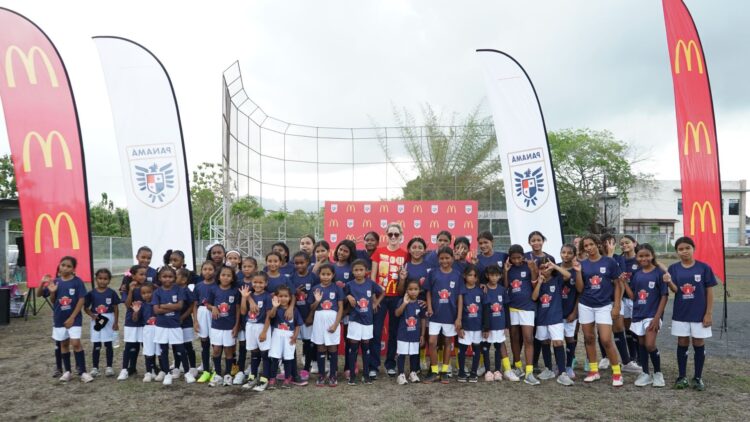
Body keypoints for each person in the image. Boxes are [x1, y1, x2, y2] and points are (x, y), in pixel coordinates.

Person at [665, 237, 716, 391]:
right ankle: (682, 377)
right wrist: (669, 282)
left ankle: (698, 377)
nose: (684, 251)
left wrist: (708, 313)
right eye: (680, 249)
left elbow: (709, 292)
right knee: (682, 342)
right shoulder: (673, 268)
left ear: (693, 248)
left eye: (687, 248)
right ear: (677, 252)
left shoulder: (704, 268)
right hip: (681, 313)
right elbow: (675, 291)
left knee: (699, 342)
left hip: (699, 314)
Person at [577, 234, 625, 387]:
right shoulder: (582, 264)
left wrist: (617, 305)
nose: (589, 248)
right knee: (589, 338)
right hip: (585, 305)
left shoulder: (609, 262)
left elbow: (618, 284)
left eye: (591, 244)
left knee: (605, 340)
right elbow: (580, 289)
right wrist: (577, 271)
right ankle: (593, 371)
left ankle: (617, 373)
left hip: (604, 305)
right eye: (586, 246)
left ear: (598, 244)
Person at [370, 223, 408, 378]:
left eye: (396, 234)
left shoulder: (405, 254)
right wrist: (373, 298)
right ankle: (373, 366)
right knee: (376, 332)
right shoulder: (378, 252)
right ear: (386, 235)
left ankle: (390, 364)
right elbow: (373, 276)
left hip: (397, 298)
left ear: (401, 235)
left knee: (393, 332)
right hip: (379, 298)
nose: (393, 237)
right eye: (390, 234)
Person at [46, 256, 93, 383]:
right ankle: (67, 372)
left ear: (73, 269)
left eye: (69, 266)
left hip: (74, 319)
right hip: (59, 319)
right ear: (59, 266)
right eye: (63, 265)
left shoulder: (77, 282)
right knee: (64, 344)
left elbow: (81, 300)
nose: (65, 268)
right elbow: (53, 300)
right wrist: (52, 292)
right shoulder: (55, 282)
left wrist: (72, 317)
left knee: (76, 343)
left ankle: (83, 371)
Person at [627, 244, 668, 388]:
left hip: (653, 315)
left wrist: (657, 317)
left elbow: (664, 296)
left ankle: (658, 373)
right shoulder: (636, 274)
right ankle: (645, 373)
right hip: (638, 314)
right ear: (637, 257)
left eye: (647, 255)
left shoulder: (659, 273)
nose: (644, 258)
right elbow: (633, 296)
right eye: (640, 256)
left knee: (650, 344)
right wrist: (623, 283)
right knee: (642, 344)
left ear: (652, 256)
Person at [423, 246, 463, 384]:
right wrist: (429, 306)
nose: (444, 260)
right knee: (432, 342)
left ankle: (444, 371)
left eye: (447, 258)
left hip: (450, 316)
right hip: (435, 315)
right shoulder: (433, 273)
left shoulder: (457, 274)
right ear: (437, 259)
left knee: (447, 343)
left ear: (452, 258)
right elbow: (428, 291)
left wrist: (458, 317)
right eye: (441, 258)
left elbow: (460, 297)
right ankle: (434, 371)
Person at [533, 260, 574, 386]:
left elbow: (568, 275)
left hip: (555, 317)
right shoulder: (536, 282)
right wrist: (539, 283)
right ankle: (548, 369)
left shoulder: (557, 280)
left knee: (558, 342)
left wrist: (555, 266)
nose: (545, 270)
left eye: (547, 268)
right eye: (542, 268)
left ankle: (562, 373)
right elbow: (534, 297)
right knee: (545, 341)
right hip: (541, 318)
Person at [151, 267, 194, 385]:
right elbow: (156, 310)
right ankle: (167, 374)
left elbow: (179, 306)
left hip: (175, 325)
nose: (167, 279)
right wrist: (170, 306)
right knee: (163, 350)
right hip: (161, 326)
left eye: (170, 277)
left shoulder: (179, 290)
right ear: (160, 278)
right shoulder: (157, 292)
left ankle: (187, 372)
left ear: (174, 278)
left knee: (181, 349)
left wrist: (163, 306)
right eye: (164, 277)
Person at [344, 259, 384, 385]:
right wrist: (348, 296)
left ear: (366, 271)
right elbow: (341, 296)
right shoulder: (349, 285)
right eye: (356, 270)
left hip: (367, 320)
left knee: (366, 346)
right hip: (355, 320)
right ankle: (352, 376)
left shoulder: (371, 284)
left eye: (361, 270)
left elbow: (382, 292)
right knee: (353, 347)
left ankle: (366, 374)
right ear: (352, 271)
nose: (359, 272)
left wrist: (376, 302)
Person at [504, 244, 539, 384]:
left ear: (523, 256)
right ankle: (518, 366)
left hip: (527, 307)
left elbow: (535, 284)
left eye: (519, 258)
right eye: (514, 258)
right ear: (510, 258)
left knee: (528, 338)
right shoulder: (509, 268)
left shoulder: (528, 266)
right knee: (514, 337)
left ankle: (529, 371)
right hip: (512, 307)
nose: (517, 261)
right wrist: (506, 271)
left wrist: (533, 269)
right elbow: (506, 286)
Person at [480, 264, 518, 382]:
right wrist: (484, 327)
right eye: (492, 275)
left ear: (500, 276)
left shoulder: (502, 290)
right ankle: (487, 371)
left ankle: (497, 370)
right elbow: (482, 309)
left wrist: (507, 325)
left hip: (499, 324)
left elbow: (506, 308)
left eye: (497, 275)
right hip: (488, 325)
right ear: (487, 276)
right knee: (485, 346)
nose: (494, 278)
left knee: (498, 346)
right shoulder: (483, 289)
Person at [308, 263, 345, 387]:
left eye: (328, 274)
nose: (325, 277)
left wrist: (336, 324)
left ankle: (333, 375)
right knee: (321, 348)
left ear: (333, 275)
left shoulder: (337, 288)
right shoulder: (315, 289)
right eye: (323, 274)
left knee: (333, 349)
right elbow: (312, 308)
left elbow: (340, 308)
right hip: (319, 322)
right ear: (319, 275)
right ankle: (322, 375)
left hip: (332, 321)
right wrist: (317, 301)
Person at [525, 231, 554, 374]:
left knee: (544, 334)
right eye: (533, 240)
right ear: (529, 242)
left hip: (545, 299)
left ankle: (548, 365)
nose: (536, 242)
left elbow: (553, 277)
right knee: (533, 332)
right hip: (530, 299)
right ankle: (534, 362)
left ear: (543, 241)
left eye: (538, 240)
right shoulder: (525, 257)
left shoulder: (550, 258)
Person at [206, 265, 241, 387]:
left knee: (228, 351)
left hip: (229, 327)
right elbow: (207, 304)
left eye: (228, 275)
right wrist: (213, 307)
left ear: (232, 278)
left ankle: (228, 375)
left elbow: (237, 310)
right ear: (219, 277)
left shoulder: (235, 291)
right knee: (216, 350)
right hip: (216, 326)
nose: (225, 278)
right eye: (223, 275)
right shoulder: (214, 289)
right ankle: (217, 374)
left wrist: (236, 325)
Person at [399, 237, 430, 369]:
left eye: (420, 247)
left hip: (424, 305)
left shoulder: (429, 266)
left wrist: (428, 303)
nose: (417, 250)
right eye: (414, 247)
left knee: (424, 333)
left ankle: (422, 358)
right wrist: (402, 279)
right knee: (409, 331)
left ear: (424, 250)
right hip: (408, 306)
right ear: (409, 249)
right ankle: (409, 364)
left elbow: (432, 288)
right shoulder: (405, 265)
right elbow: (400, 290)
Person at [239, 271, 273, 391]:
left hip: (262, 326)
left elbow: (269, 315)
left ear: (266, 283)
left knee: (264, 353)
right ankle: (252, 376)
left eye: (261, 282)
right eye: (255, 282)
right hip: (250, 326)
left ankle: (265, 378)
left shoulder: (267, 296)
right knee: (254, 352)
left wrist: (264, 331)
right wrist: (244, 297)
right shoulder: (249, 295)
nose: (257, 285)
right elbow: (243, 312)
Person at [84, 268, 120, 377]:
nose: (102, 281)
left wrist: (116, 322)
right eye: (100, 278)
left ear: (109, 280)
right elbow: (85, 307)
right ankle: (95, 368)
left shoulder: (112, 293)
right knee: (97, 344)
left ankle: (109, 367)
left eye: (105, 279)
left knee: (108, 344)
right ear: (96, 279)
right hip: (96, 320)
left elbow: (115, 308)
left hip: (109, 320)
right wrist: (92, 315)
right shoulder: (91, 293)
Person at [266, 285, 303, 389]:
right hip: (277, 335)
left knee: (288, 358)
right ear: (277, 297)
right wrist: (274, 306)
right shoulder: (276, 309)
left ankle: (287, 379)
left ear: (290, 298)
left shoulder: (294, 310)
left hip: (289, 336)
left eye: (286, 296)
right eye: (280, 296)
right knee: (275, 357)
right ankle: (272, 379)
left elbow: (297, 325)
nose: (283, 298)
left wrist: (295, 336)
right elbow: (271, 316)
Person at [290, 251, 319, 381]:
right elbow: (287, 296)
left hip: (308, 316)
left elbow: (317, 297)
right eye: (296, 263)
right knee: (292, 342)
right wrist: (295, 292)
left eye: (302, 262)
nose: (299, 265)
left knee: (308, 343)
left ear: (308, 262)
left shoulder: (314, 277)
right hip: (295, 316)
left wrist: (311, 315)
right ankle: (292, 368)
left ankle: (307, 368)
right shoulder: (291, 278)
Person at [117, 265, 148, 380]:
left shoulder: (147, 287)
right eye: (141, 274)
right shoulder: (128, 288)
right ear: (133, 276)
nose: (143, 277)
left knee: (146, 345)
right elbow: (127, 304)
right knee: (129, 346)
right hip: (131, 321)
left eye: (145, 274)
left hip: (144, 321)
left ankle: (150, 369)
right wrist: (131, 290)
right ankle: (125, 369)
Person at [394, 279, 425, 385]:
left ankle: (413, 373)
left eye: (415, 289)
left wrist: (422, 334)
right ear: (406, 290)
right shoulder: (402, 301)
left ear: (419, 291)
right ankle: (401, 375)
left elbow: (423, 320)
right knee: (402, 354)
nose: (413, 292)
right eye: (410, 289)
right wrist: (404, 303)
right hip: (403, 334)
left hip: (415, 335)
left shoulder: (420, 303)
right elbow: (397, 314)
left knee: (414, 355)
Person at [457, 264, 483, 383]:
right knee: (462, 349)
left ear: (477, 278)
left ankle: (473, 372)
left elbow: (485, 309)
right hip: (465, 326)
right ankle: (461, 371)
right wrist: (460, 326)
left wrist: (485, 326)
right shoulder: (461, 290)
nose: (472, 278)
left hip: (477, 326)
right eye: (469, 275)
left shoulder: (481, 291)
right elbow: (459, 309)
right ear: (464, 276)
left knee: (477, 349)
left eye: (474, 276)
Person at [559, 244, 581, 380]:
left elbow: (580, 292)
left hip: (570, 311)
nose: (566, 255)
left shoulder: (577, 270)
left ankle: (568, 366)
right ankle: (559, 365)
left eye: (569, 253)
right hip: (556, 311)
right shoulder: (555, 267)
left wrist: (574, 312)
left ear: (574, 255)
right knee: (556, 340)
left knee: (569, 338)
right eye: (563, 252)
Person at [193, 261, 218, 383]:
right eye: (205, 269)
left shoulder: (217, 285)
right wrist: (195, 321)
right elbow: (195, 305)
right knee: (204, 342)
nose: (207, 272)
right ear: (201, 271)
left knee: (215, 342)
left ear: (214, 271)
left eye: (210, 269)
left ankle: (215, 369)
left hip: (213, 313)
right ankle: (206, 370)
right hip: (202, 313)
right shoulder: (198, 285)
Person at [618, 235, 640, 365]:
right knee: (627, 328)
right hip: (623, 298)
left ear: (634, 243)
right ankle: (632, 356)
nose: (624, 245)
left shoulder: (640, 259)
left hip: (637, 299)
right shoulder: (619, 260)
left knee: (636, 328)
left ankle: (640, 356)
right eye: (622, 244)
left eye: (627, 242)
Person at [132, 283, 157, 382]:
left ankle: (158, 370)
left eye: (149, 292)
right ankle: (148, 372)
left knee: (159, 351)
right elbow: (135, 319)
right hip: (147, 330)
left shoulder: (157, 304)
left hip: (158, 329)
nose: (146, 295)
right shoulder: (141, 305)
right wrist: (135, 311)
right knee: (148, 351)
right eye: (143, 293)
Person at [175, 268, 198, 378]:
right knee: (177, 346)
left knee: (188, 345)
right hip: (175, 323)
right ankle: (177, 366)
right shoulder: (174, 289)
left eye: (176, 276)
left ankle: (193, 367)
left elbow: (192, 305)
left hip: (186, 323)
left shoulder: (187, 291)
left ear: (184, 280)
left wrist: (183, 317)